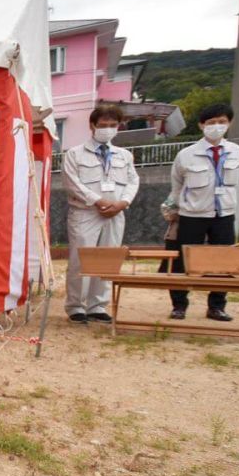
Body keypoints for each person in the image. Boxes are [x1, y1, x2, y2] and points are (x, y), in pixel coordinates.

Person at [61, 105, 139, 324]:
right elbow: (71, 182)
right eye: (103, 125)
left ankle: (98, 305)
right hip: (85, 212)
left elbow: (133, 181)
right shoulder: (75, 154)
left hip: (115, 213)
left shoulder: (124, 156)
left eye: (112, 125)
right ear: (92, 126)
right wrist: (98, 200)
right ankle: (76, 306)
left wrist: (123, 202)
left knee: (107, 259)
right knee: (80, 259)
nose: (107, 129)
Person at [167, 104, 239, 321]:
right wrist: (176, 210)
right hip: (193, 214)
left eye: (221, 122)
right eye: (211, 123)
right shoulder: (186, 154)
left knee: (223, 261)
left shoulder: (235, 152)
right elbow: (177, 185)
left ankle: (217, 305)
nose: (216, 126)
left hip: (224, 213)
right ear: (202, 125)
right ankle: (179, 304)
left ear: (229, 123)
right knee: (183, 260)